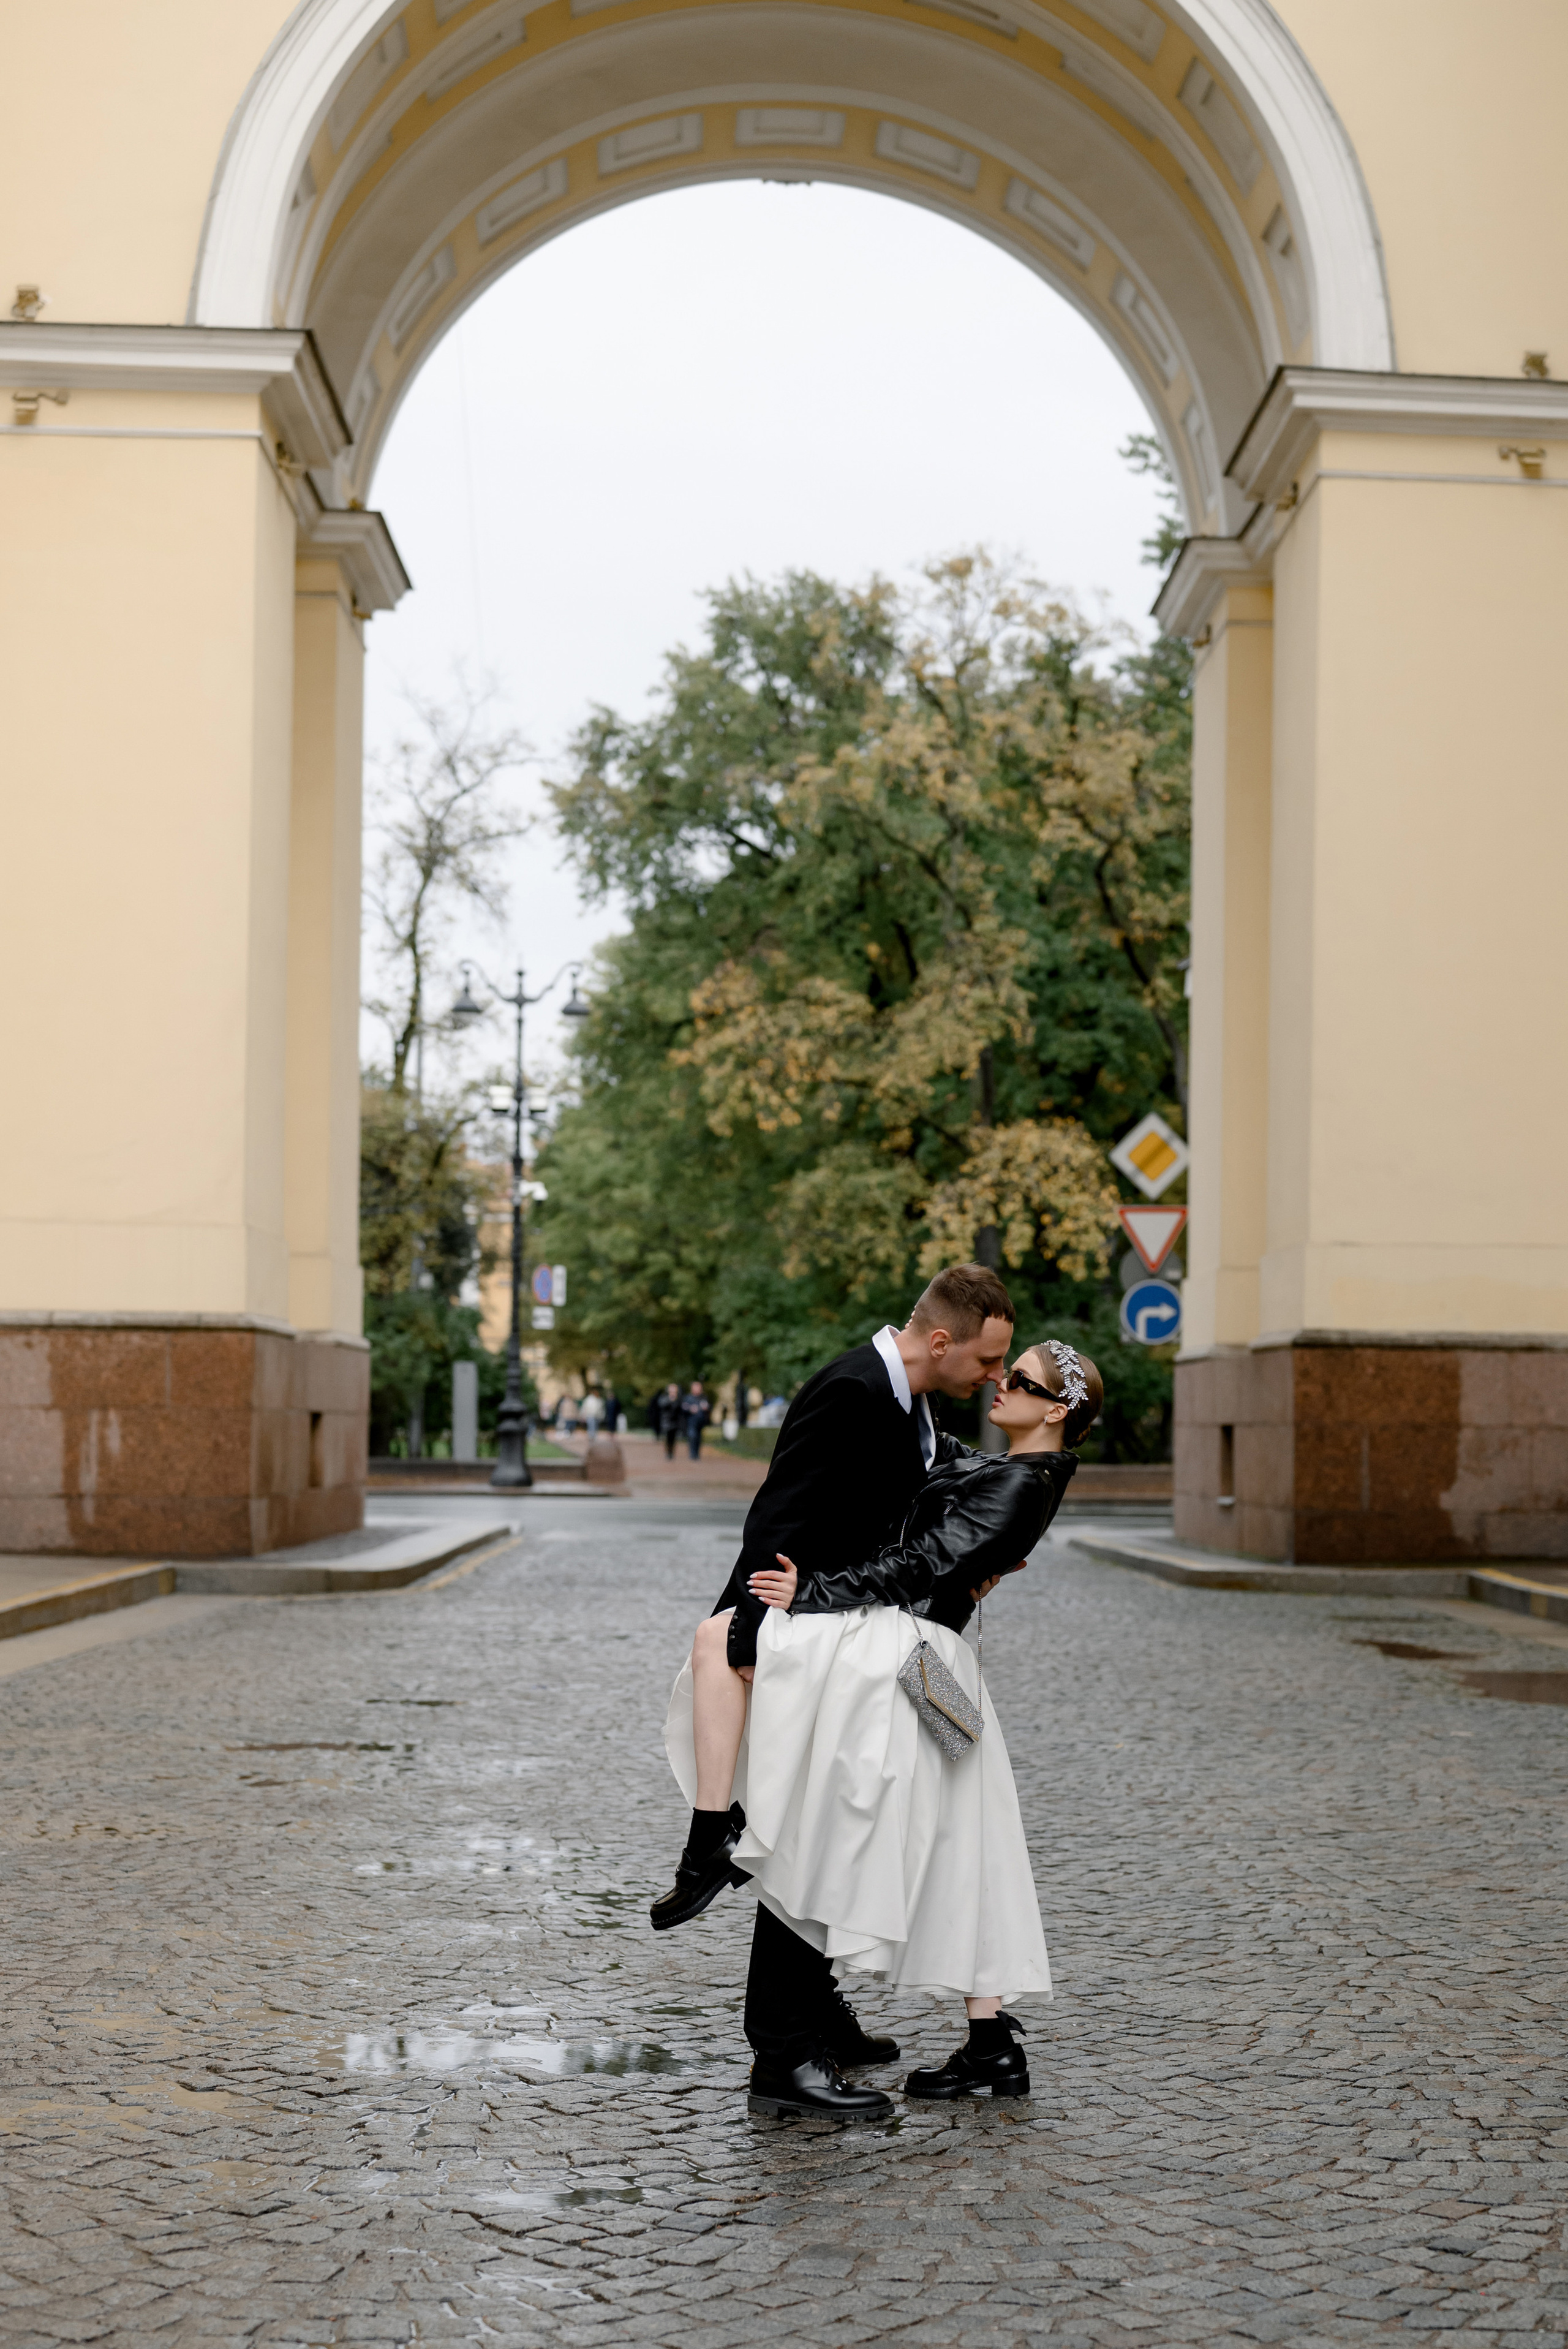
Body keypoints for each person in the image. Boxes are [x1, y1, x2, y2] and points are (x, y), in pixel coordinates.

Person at [657, 1333, 1099, 2117]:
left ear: (1056, 1410)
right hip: (930, 1663)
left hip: (913, 1660)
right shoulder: (1004, 1468)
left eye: (1019, 1379)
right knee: (970, 1833)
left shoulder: (1023, 1484)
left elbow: (919, 1564)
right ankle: (989, 2042)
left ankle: (714, 1851)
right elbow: (922, 1458)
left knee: (859, 1809)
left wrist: (810, 1594)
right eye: (1000, 1368)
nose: (999, 1383)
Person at [680, 1379, 711, 1461]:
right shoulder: (688, 1398)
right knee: (692, 1436)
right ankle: (692, 1453)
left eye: (699, 1387)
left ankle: (697, 1453)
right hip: (691, 1421)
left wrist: (706, 1407)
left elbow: (708, 1407)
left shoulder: (703, 1397)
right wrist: (691, 1409)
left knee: (699, 1438)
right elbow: (684, 1408)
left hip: (701, 1422)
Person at [652, 1381, 682, 1461]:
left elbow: (680, 1408)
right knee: (667, 1438)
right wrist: (670, 1400)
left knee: (673, 1438)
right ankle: (668, 1453)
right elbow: (661, 1405)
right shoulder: (664, 1397)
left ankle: (672, 1452)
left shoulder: (679, 1398)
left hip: (675, 1421)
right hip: (666, 1421)